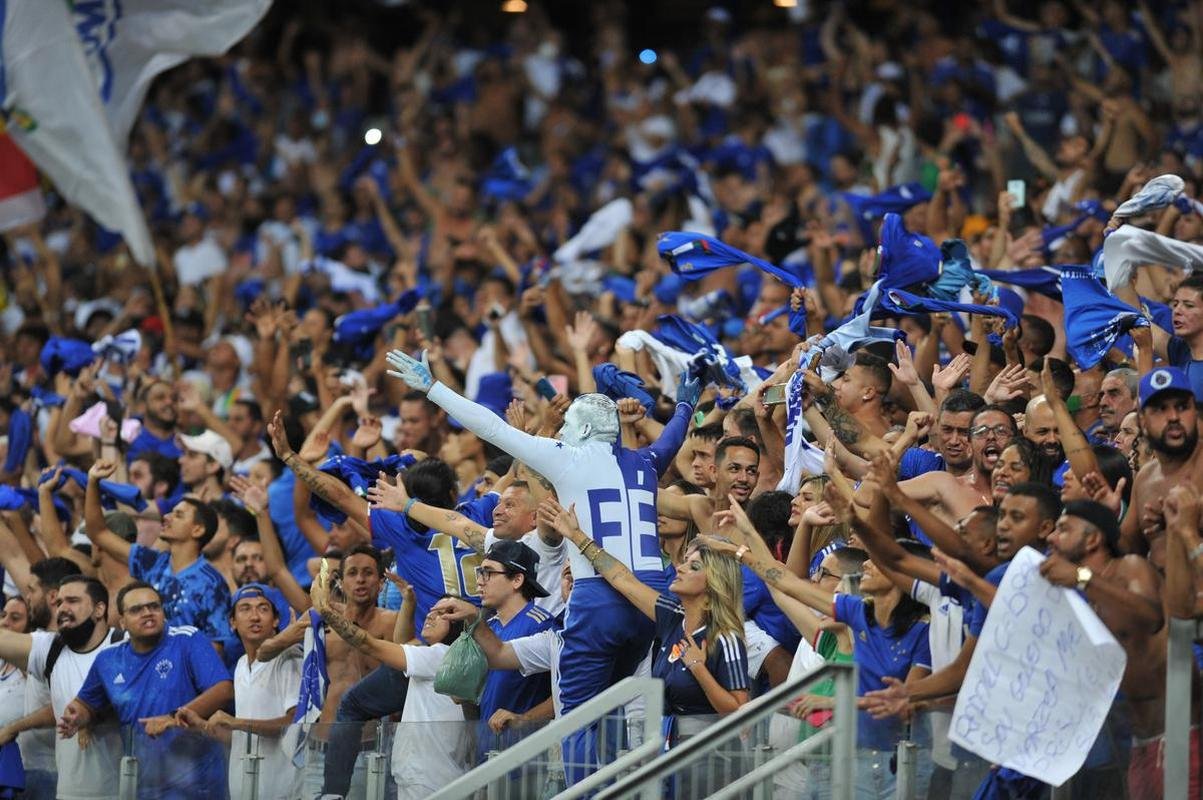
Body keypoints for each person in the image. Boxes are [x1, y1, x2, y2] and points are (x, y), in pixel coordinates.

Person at [385, 348, 697, 778]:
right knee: (615, 712)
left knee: (577, 718)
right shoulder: (645, 462)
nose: (562, 430)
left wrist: (434, 388)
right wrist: (684, 404)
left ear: (585, 428)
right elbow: (671, 438)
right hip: (649, 606)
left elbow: (491, 427)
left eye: (568, 424)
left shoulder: (568, 456)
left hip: (598, 599)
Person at [307, 569, 473, 800]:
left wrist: (326, 609)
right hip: (430, 776)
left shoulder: (440, 656)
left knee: (352, 703)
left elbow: (370, 645)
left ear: (460, 625)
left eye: (443, 613)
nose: (431, 616)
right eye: (432, 610)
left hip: (428, 779)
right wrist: (408, 601)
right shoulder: (439, 657)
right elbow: (403, 644)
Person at [59, 581, 232, 799]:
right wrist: (77, 716)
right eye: (136, 610)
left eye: (154, 607)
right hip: (144, 784)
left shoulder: (187, 639)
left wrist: (172, 718)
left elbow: (223, 689)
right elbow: (86, 704)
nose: (147, 613)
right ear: (122, 622)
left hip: (198, 783)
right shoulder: (108, 660)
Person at [84, 460, 232, 642]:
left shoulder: (211, 583)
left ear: (197, 530)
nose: (166, 517)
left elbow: (215, 648)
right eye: (170, 512)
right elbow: (98, 532)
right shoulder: (153, 563)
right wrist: (92, 482)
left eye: (178, 515)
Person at [178, 583, 302, 800]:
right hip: (244, 789)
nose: (254, 616)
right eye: (245, 609)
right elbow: (241, 738)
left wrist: (237, 723)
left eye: (263, 609)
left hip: (282, 792)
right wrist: (202, 724)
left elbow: (294, 724)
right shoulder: (241, 665)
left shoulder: (289, 657)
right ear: (232, 622)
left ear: (275, 620)